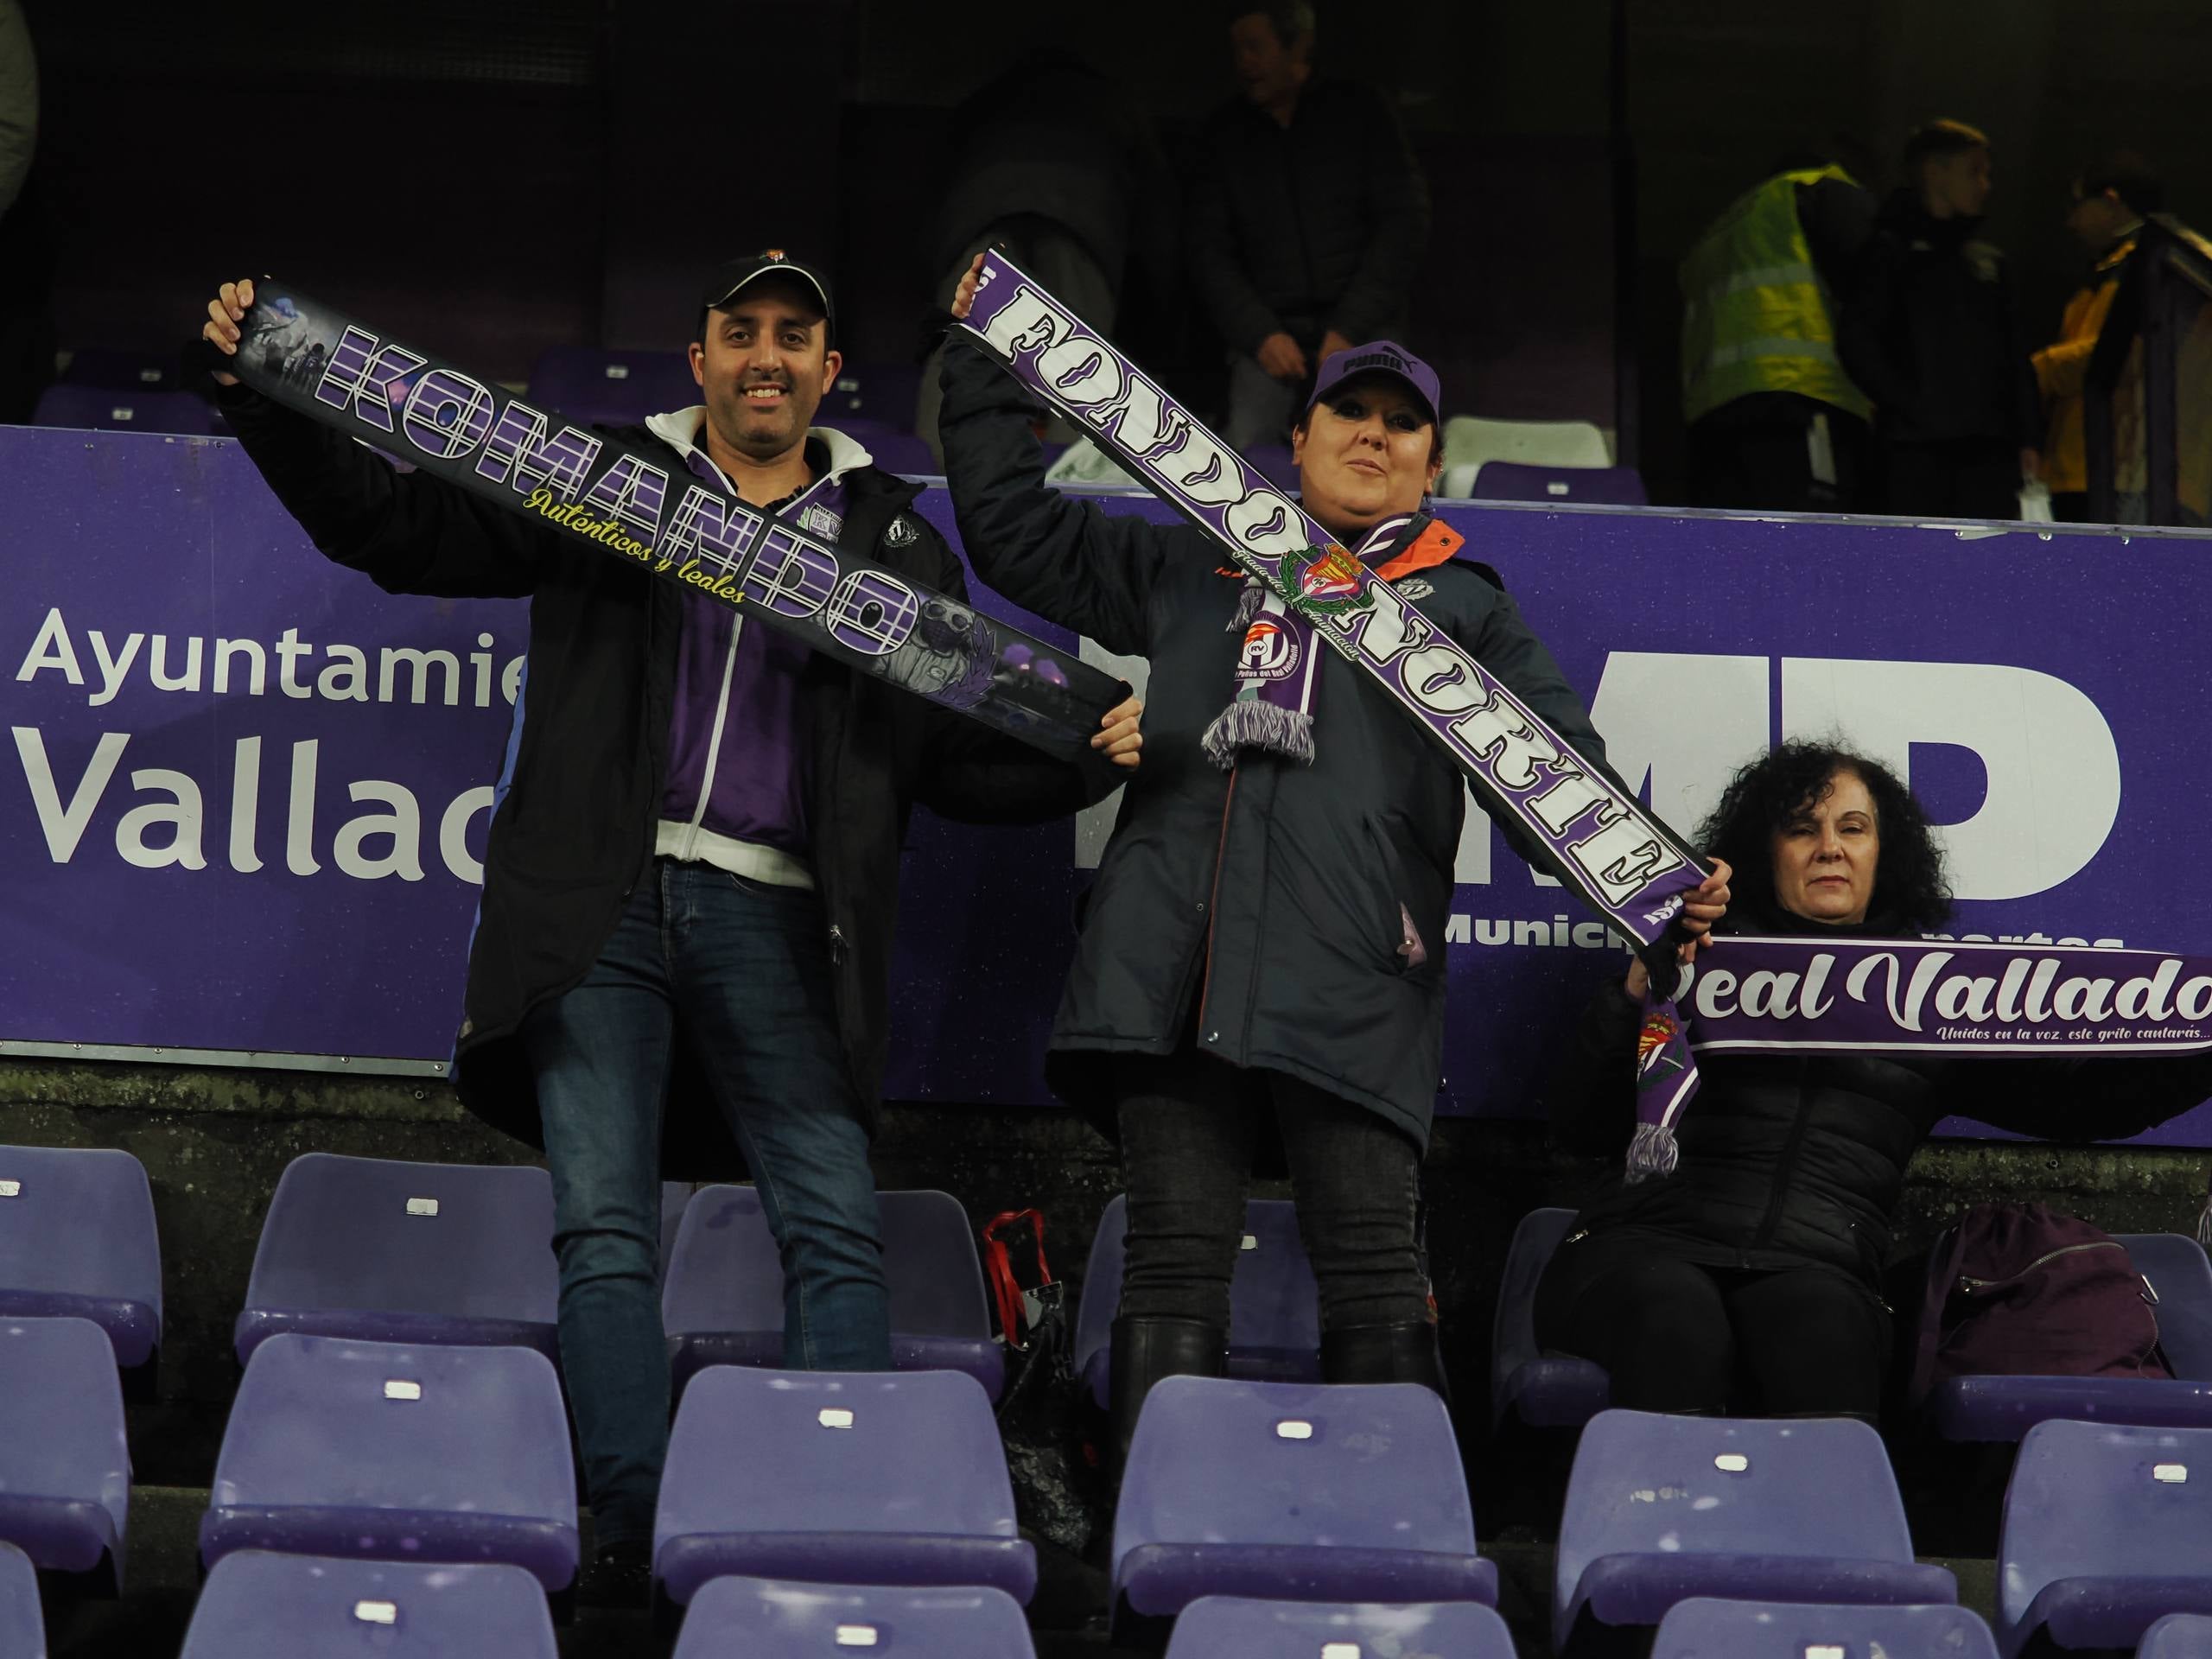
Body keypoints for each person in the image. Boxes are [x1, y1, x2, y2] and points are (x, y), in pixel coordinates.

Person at [201, 252, 1144, 1597]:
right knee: (603, 1229)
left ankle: (832, 1544)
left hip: (783, 920)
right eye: (740, 332)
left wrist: (1087, 754)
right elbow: (397, 534)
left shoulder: (891, 539)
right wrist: (264, 397)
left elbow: (950, 755)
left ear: (829, 373)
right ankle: (633, 1549)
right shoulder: (603, 483)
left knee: (833, 1230)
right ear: (696, 361)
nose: (767, 355)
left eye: (795, 336)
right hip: (603, 904)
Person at [939, 258, 1728, 1465]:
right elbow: (1011, 530)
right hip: (1172, 964)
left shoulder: (1461, 606)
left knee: (1372, 1269)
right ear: (1297, 437)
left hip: (1358, 976)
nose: (1375, 436)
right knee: (1174, 1262)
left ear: (1431, 460)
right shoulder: (1193, 558)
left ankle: (1399, 1555)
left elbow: (1557, 773)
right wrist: (992, 363)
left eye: (1402, 424)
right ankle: (1162, 1562)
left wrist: (1656, 878)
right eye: (1352, 414)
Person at [1534, 741, 2212, 1422]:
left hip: (1819, 1269)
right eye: (1803, 829)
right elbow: (1581, 1123)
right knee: (1676, 1321)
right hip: (1642, 1250)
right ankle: (1653, 1526)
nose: (1829, 847)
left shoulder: (1932, 997)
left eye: (1852, 829)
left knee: (1822, 1333)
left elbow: (2090, 1102)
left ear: (1885, 854)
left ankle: (1817, 1531)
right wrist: (1636, 991)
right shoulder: (1693, 955)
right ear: (1765, 853)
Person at [912, 48, 1175, 465]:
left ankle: (928, 478)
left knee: (957, 343)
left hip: (981, 216)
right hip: (1082, 223)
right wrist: (1161, 300)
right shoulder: (1116, 102)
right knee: (1079, 359)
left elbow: (934, 177)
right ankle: (1066, 495)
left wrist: (937, 266)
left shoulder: (993, 93)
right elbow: (1157, 209)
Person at [1189, 3, 1432, 454]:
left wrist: (1348, 329)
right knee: (1243, 450)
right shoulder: (1225, 133)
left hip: (1363, 324)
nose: (1244, 62)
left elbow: (1404, 223)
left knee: (1387, 442)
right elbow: (1207, 251)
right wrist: (1260, 334)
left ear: (1297, 46)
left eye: (1255, 47)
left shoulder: (1359, 111)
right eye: (1237, 50)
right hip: (1267, 334)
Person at [1839, 120, 2043, 520]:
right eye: (1975, 171)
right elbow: (1857, 341)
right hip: (1915, 452)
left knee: (1979, 566)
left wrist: (2029, 438)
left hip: (1988, 451)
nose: (1986, 185)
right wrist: (1909, 406)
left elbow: (2017, 357)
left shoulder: (1988, 263)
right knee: (1916, 563)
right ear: (1935, 172)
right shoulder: (1888, 252)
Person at [1680, 155, 1878, 512]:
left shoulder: (1722, 231)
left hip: (1713, 417)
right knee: (1813, 540)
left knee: (1731, 545)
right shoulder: (1817, 189)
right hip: (1800, 399)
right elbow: (1875, 285)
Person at [2035, 153, 2162, 522]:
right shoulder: (2116, 267)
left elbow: (2118, 353)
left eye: (2077, 205)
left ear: (2111, 201)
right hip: (2088, 466)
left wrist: (2035, 372)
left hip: (2114, 468)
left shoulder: (2149, 268)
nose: (2070, 222)